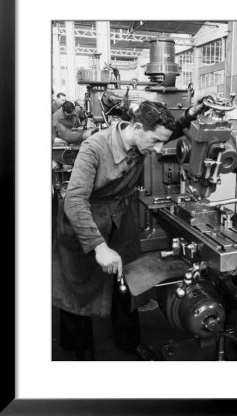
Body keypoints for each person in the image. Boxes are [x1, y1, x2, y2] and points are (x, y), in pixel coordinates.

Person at [52, 99, 205, 360]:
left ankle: (127, 340)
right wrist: (99, 246)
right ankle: (80, 351)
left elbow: (169, 133)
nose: (159, 150)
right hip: (86, 218)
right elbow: (75, 200)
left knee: (127, 281)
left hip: (120, 217)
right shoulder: (94, 148)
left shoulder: (141, 141)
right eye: (155, 141)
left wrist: (192, 113)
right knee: (77, 288)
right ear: (136, 128)